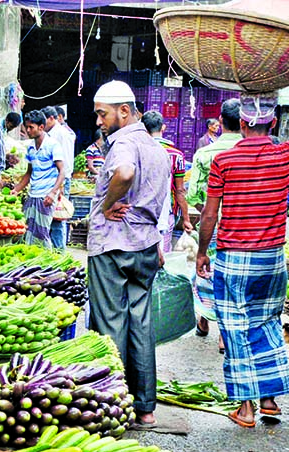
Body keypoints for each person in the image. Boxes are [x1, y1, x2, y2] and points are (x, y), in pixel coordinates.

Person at [196, 90, 289, 428]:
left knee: (236, 330)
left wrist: (203, 252)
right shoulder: (284, 153)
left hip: (233, 259)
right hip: (272, 260)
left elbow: (209, 214)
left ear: (242, 123)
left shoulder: (224, 161)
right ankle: (270, 401)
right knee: (267, 325)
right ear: (273, 122)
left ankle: (246, 409)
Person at [87, 81, 170, 427]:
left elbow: (124, 172)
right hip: (145, 245)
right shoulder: (157, 147)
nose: (98, 122)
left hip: (114, 245)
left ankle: (112, 402)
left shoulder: (123, 143)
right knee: (141, 322)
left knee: (110, 323)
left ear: (124, 111)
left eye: (101, 114)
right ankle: (145, 408)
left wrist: (107, 205)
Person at [186, 99, 242, 345]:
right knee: (231, 277)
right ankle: (224, 334)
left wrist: (211, 211)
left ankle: (204, 320)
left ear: (220, 122)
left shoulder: (205, 153)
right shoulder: (250, 151)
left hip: (212, 224)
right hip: (241, 226)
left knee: (205, 272)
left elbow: (194, 195)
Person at [141, 110, 193, 252]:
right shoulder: (176, 155)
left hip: (140, 211)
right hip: (166, 211)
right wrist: (186, 219)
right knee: (163, 251)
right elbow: (180, 190)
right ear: (163, 127)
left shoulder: (137, 151)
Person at [11, 110, 64, 248]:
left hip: (46, 196)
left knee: (42, 232)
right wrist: (16, 189)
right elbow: (29, 173)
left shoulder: (53, 145)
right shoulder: (30, 148)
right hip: (32, 194)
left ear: (41, 127)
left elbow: (62, 171)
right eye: (26, 127)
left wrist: (53, 193)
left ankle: (47, 263)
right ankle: (30, 261)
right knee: (27, 230)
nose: (28, 130)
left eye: (31, 127)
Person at [43, 106, 74, 248]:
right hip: (52, 181)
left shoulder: (61, 134)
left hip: (60, 181)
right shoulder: (50, 134)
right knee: (51, 217)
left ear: (51, 118)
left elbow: (66, 161)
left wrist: (60, 185)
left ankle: (59, 251)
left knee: (58, 218)